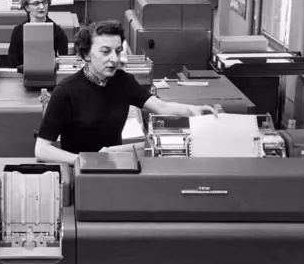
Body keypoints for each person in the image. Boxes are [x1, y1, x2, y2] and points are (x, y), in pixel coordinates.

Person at [34, 21, 217, 165]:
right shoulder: (66, 92)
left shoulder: (123, 81)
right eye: (105, 52)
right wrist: (83, 160)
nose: (114, 59)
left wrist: (196, 111)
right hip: (81, 172)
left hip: (116, 166)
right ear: (86, 55)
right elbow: (42, 150)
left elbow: (162, 107)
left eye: (118, 51)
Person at [7, 0, 68, 69]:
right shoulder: (18, 31)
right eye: (36, 3)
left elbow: (63, 62)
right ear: (27, 7)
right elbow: (13, 62)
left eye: (45, 2)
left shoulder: (58, 32)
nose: (42, 7)